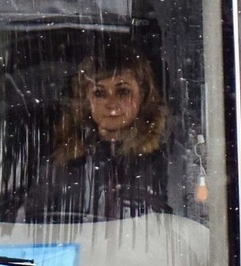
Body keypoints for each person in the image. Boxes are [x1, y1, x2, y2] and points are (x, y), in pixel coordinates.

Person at [22, 42, 171, 222]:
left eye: (123, 92)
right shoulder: (65, 162)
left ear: (144, 94)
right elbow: (31, 223)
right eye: (100, 93)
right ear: (86, 99)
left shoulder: (165, 160)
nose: (111, 104)